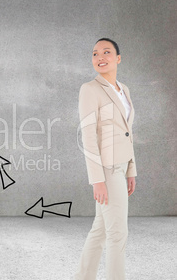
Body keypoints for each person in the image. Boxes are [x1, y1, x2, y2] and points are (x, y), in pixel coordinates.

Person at [75, 38, 137, 280]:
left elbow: (128, 133)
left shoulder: (125, 90)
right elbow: (88, 136)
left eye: (106, 52)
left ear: (118, 58)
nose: (100, 57)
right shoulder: (89, 89)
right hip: (107, 169)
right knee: (117, 233)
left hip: (122, 167)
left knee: (100, 230)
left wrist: (131, 170)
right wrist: (97, 179)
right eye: (95, 53)